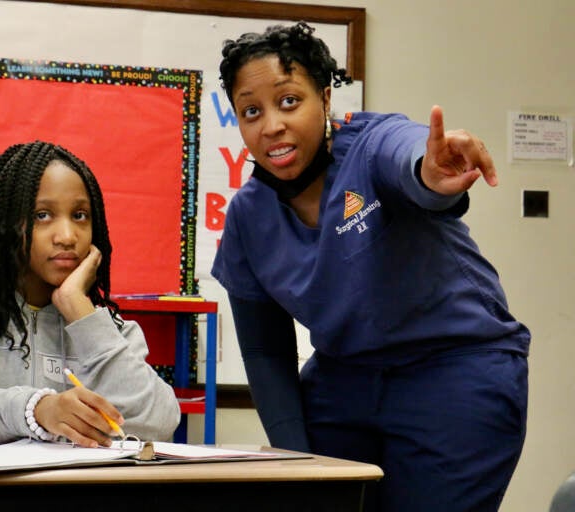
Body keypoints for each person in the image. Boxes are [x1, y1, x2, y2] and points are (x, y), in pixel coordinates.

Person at [211, 21, 529, 512]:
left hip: (454, 370)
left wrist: (430, 171)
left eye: (289, 101)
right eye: (251, 111)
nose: (271, 124)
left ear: (324, 96)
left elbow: (409, 159)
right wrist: (295, 458)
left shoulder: (371, 144)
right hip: (345, 382)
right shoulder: (249, 218)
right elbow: (265, 350)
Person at [0, 140, 180, 448]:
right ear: (6, 223)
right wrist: (37, 410)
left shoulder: (106, 327)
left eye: (79, 215)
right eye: (42, 215)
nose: (67, 236)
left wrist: (80, 313)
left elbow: (160, 421)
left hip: (68, 494)